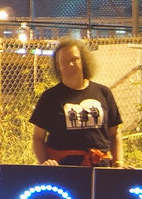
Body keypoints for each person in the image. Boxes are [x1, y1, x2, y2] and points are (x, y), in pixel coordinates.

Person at [30, 37, 124, 167]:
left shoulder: (103, 92)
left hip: (101, 167)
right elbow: (37, 138)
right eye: (64, 61)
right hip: (63, 169)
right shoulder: (50, 97)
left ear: (83, 61)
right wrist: (45, 163)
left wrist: (118, 163)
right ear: (58, 66)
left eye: (74, 59)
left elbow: (115, 133)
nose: (71, 64)